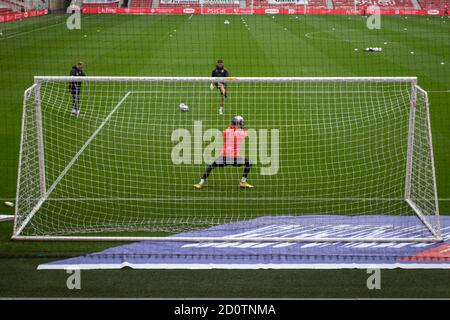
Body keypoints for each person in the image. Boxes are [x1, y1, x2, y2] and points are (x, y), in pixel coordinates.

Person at [194, 115, 253, 189]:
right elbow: (247, 137)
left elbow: (224, 132)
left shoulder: (227, 131)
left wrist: (231, 126)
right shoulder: (242, 133)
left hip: (224, 158)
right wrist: (243, 128)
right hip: (235, 159)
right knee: (249, 162)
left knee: (211, 166)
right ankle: (243, 182)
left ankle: (200, 183)